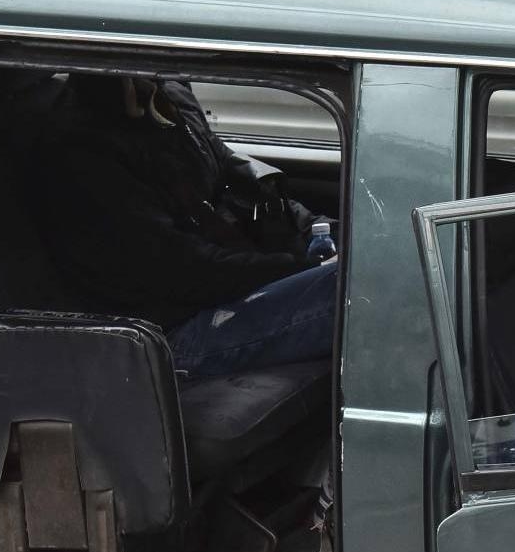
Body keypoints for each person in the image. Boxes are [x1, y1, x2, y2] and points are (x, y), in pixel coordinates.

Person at [28, 75, 336, 380]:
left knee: (361, 263)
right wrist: (297, 268)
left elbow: (243, 179)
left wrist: (317, 228)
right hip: (171, 330)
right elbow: (179, 268)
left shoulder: (172, 97)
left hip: (224, 284)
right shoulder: (80, 147)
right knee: (353, 288)